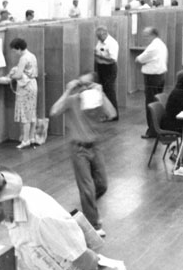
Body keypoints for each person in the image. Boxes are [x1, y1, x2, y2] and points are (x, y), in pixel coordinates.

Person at [50, 74, 116, 236]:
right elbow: (54, 111)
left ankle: (88, 207)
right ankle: (93, 224)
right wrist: (68, 91)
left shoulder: (96, 101)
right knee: (87, 188)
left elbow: (112, 114)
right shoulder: (73, 100)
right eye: (82, 84)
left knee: (102, 184)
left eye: (89, 84)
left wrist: (102, 93)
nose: (85, 87)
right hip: (78, 149)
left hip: (95, 146)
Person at [136, 27, 168, 138]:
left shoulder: (153, 46)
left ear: (152, 35)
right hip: (160, 76)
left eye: (146, 36)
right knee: (157, 102)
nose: (144, 38)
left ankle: (152, 131)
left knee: (150, 104)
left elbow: (139, 59)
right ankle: (158, 127)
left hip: (152, 77)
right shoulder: (161, 44)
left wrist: (142, 61)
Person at [8, 37, 39, 149]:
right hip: (33, 84)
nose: (14, 53)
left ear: (19, 49)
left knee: (25, 114)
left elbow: (19, 75)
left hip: (25, 87)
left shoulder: (23, 58)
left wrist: (10, 76)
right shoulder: (32, 56)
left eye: (15, 50)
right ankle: (32, 138)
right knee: (32, 112)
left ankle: (25, 140)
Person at [93, 26, 119, 121]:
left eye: (99, 36)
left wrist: (99, 56)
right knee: (103, 92)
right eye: (97, 37)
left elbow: (112, 59)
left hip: (109, 69)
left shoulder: (112, 43)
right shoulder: (100, 41)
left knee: (109, 92)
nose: (98, 39)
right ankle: (106, 114)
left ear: (105, 33)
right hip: (101, 68)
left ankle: (114, 115)